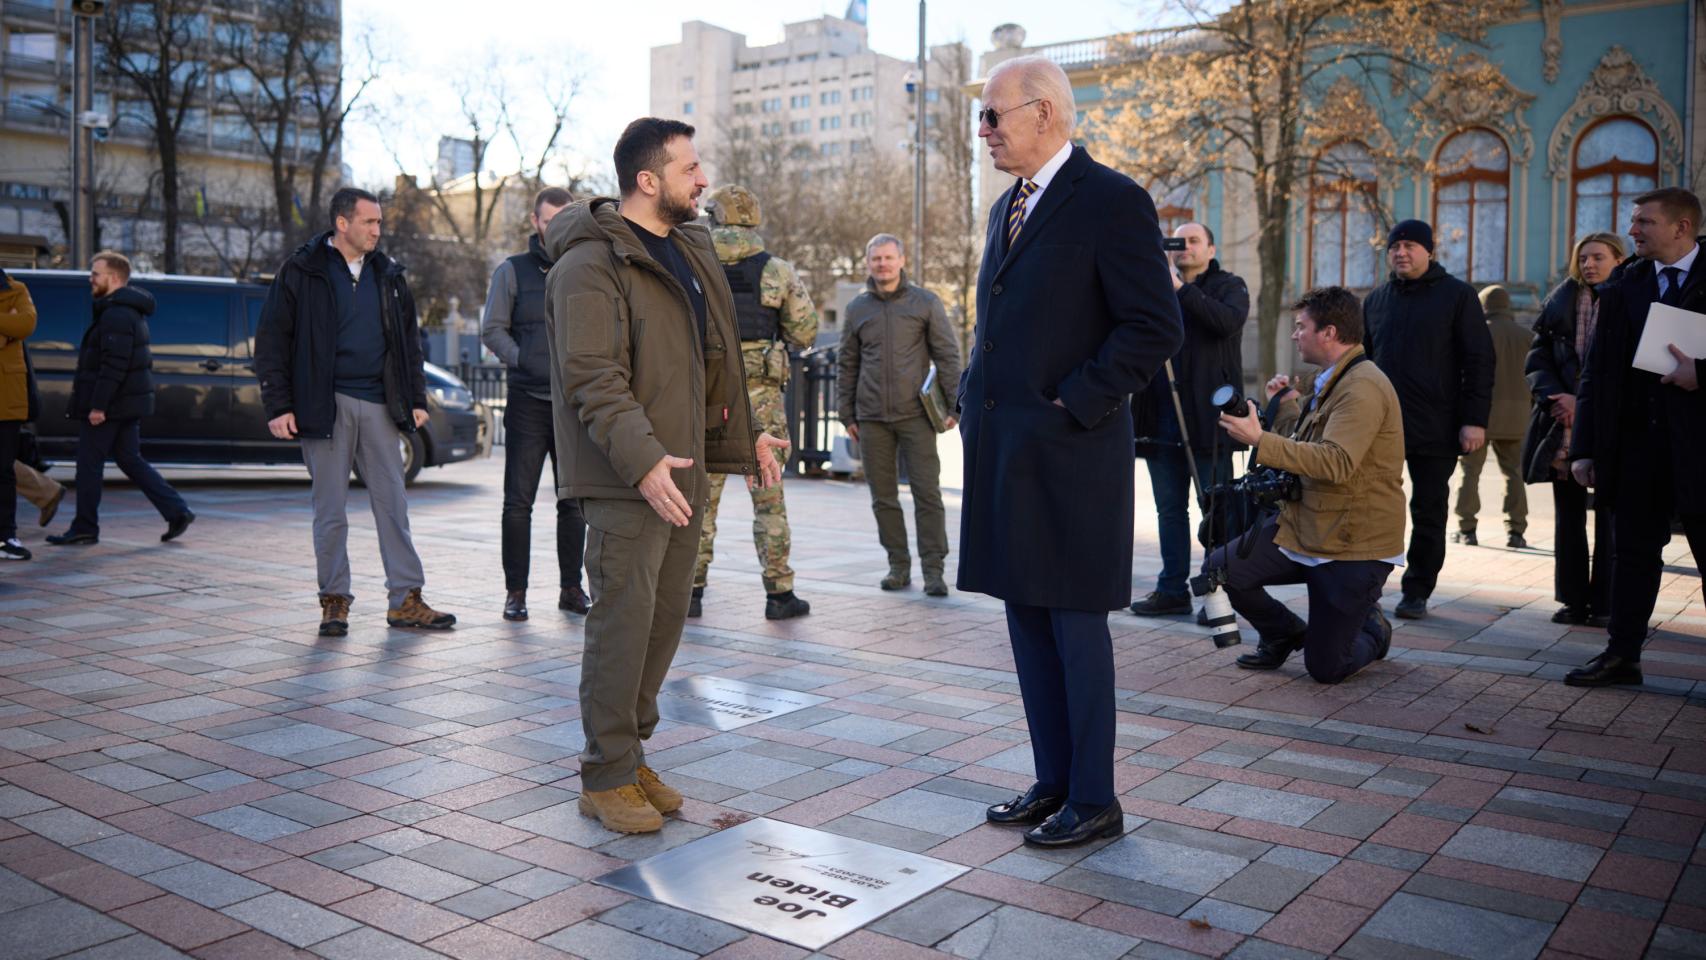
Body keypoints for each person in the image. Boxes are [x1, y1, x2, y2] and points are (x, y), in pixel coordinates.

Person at [960, 57, 1181, 848]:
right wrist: (967, 389)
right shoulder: (1006, 208)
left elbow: (1155, 327)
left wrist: (1076, 399)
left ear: (1044, 112)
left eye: (992, 116)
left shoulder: (1114, 202)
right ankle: (1053, 780)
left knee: (1076, 628)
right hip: (1010, 451)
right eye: (981, 118)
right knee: (1026, 619)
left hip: (1074, 452)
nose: (982, 131)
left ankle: (1095, 798)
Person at [543, 117, 786, 834]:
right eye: (689, 167)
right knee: (622, 623)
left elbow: (715, 362)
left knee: (665, 618)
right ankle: (604, 772)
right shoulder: (588, 264)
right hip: (627, 473)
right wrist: (644, 458)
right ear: (647, 180)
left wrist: (743, 440)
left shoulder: (689, 249)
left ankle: (631, 750)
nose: (703, 178)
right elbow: (592, 376)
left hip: (684, 466)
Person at [254, 188, 455, 636]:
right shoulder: (302, 270)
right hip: (324, 405)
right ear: (342, 223)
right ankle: (334, 601)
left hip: (380, 404)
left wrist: (415, 400)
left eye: (379, 222)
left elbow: (409, 344)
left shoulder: (388, 275)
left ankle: (405, 599)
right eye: (369, 222)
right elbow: (271, 340)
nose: (377, 231)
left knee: (393, 505)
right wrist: (279, 403)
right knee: (330, 509)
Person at [1210, 286, 1406, 682]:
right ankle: (1283, 634)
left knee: (1327, 668)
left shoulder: (1362, 386)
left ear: (1329, 332)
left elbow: (1336, 462)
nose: (1294, 334)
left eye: (1301, 327)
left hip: (1353, 545)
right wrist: (1285, 412)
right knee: (1224, 568)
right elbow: (1309, 445)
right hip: (1309, 525)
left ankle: (1372, 627)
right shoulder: (1331, 378)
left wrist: (1260, 441)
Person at [1566, 187, 1706, 687]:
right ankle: (1622, 656)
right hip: (1638, 447)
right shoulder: (1627, 282)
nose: (1633, 230)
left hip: (1699, 450)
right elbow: (1597, 371)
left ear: (1680, 227)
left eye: (1644, 221)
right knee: (1633, 555)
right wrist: (1584, 447)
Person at [690, 184, 819, 619]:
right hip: (761, 399)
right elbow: (804, 332)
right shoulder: (776, 270)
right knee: (768, 498)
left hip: (708, 396)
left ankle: (691, 591)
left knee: (701, 500)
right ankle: (779, 594)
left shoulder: (693, 263)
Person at [1362, 219, 1494, 620]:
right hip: (1380, 426)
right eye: (1395, 246)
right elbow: (1363, 362)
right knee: (1372, 507)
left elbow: (1480, 360)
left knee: (1428, 509)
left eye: (1410, 246)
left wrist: (1474, 420)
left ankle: (1417, 589)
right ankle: (1366, 585)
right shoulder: (1376, 300)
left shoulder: (1457, 296)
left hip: (1437, 425)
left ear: (1429, 251)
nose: (1401, 252)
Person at [481, 186, 591, 622]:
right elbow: (492, 330)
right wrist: (523, 360)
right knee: (517, 504)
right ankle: (516, 593)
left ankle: (570, 589)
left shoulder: (586, 271)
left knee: (574, 503)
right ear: (535, 222)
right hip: (527, 404)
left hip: (573, 409)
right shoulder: (512, 271)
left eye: (565, 220)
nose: (556, 228)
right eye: (549, 220)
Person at [1130, 221, 1249, 616]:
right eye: (1178, 242)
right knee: (1169, 510)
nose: (1185, 248)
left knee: (1216, 509)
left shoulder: (1230, 286)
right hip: (1160, 417)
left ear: (1211, 250)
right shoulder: (1154, 287)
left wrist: (1179, 289)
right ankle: (1172, 588)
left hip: (1207, 422)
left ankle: (1216, 593)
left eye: (1194, 241)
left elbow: (1225, 322)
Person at [837, 233, 962, 596]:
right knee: (883, 498)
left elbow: (948, 356)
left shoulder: (925, 303)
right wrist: (847, 414)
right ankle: (898, 566)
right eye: (876, 259)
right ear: (868, 263)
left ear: (901, 260)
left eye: (889, 258)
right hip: (871, 418)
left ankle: (934, 570)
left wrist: (955, 406)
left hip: (916, 417)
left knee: (927, 494)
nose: (883, 265)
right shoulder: (857, 308)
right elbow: (848, 363)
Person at [46, 252, 194, 548]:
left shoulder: (116, 314)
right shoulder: (124, 310)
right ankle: (177, 511)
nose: (91, 279)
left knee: (88, 464)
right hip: (125, 403)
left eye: (95, 274)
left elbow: (114, 364)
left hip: (112, 405)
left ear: (114, 278)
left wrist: (98, 405)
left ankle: (85, 527)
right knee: (130, 459)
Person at [1520, 232, 1624, 627]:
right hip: (1562, 425)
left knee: (1611, 519)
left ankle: (1607, 603)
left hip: (1612, 424)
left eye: (1598, 257)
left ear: (1618, 259)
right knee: (1569, 517)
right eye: (1583, 258)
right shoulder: (1561, 301)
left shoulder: (1630, 299)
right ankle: (1573, 600)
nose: (1589, 265)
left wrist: (1586, 403)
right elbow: (1536, 360)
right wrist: (1557, 397)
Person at [1452, 285, 1530, 549]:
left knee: (1470, 472)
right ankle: (1516, 531)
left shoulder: (1477, 334)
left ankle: (1467, 528)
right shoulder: (1527, 336)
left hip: (1479, 416)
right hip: (1517, 418)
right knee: (1514, 474)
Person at [0, 267, 37, 560]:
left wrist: (12, 328)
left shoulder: (17, 289)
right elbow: (13, 329)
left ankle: (6, 537)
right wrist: (5, 330)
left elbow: (25, 325)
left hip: (7, 399)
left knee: (4, 470)